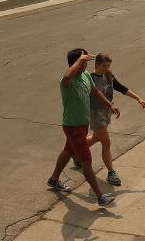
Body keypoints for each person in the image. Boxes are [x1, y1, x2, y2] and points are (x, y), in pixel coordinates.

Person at [47, 48, 119, 207]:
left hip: (82, 124)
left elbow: (95, 91)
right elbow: (67, 76)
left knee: (68, 151)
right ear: (77, 63)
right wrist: (80, 59)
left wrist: (109, 105)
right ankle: (101, 197)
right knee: (86, 161)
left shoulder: (86, 76)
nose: (87, 64)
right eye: (84, 61)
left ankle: (53, 179)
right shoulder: (66, 81)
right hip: (73, 126)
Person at [85, 52, 145, 186]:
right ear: (96, 64)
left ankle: (74, 150)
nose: (106, 69)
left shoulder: (109, 75)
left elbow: (121, 88)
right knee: (106, 142)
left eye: (108, 66)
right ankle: (111, 172)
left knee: (97, 138)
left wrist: (138, 98)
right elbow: (96, 95)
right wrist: (111, 105)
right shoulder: (90, 78)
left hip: (107, 111)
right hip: (96, 112)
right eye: (103, 66)